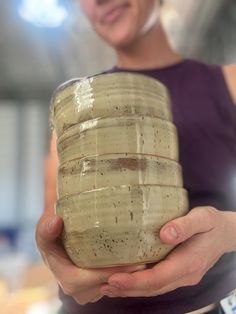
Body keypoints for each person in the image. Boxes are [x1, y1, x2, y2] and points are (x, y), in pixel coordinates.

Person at [36, 0, 236, 313]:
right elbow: (53, 221)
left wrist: (229, 232)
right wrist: (51, 257)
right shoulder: (73, 108)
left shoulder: (229, 82)